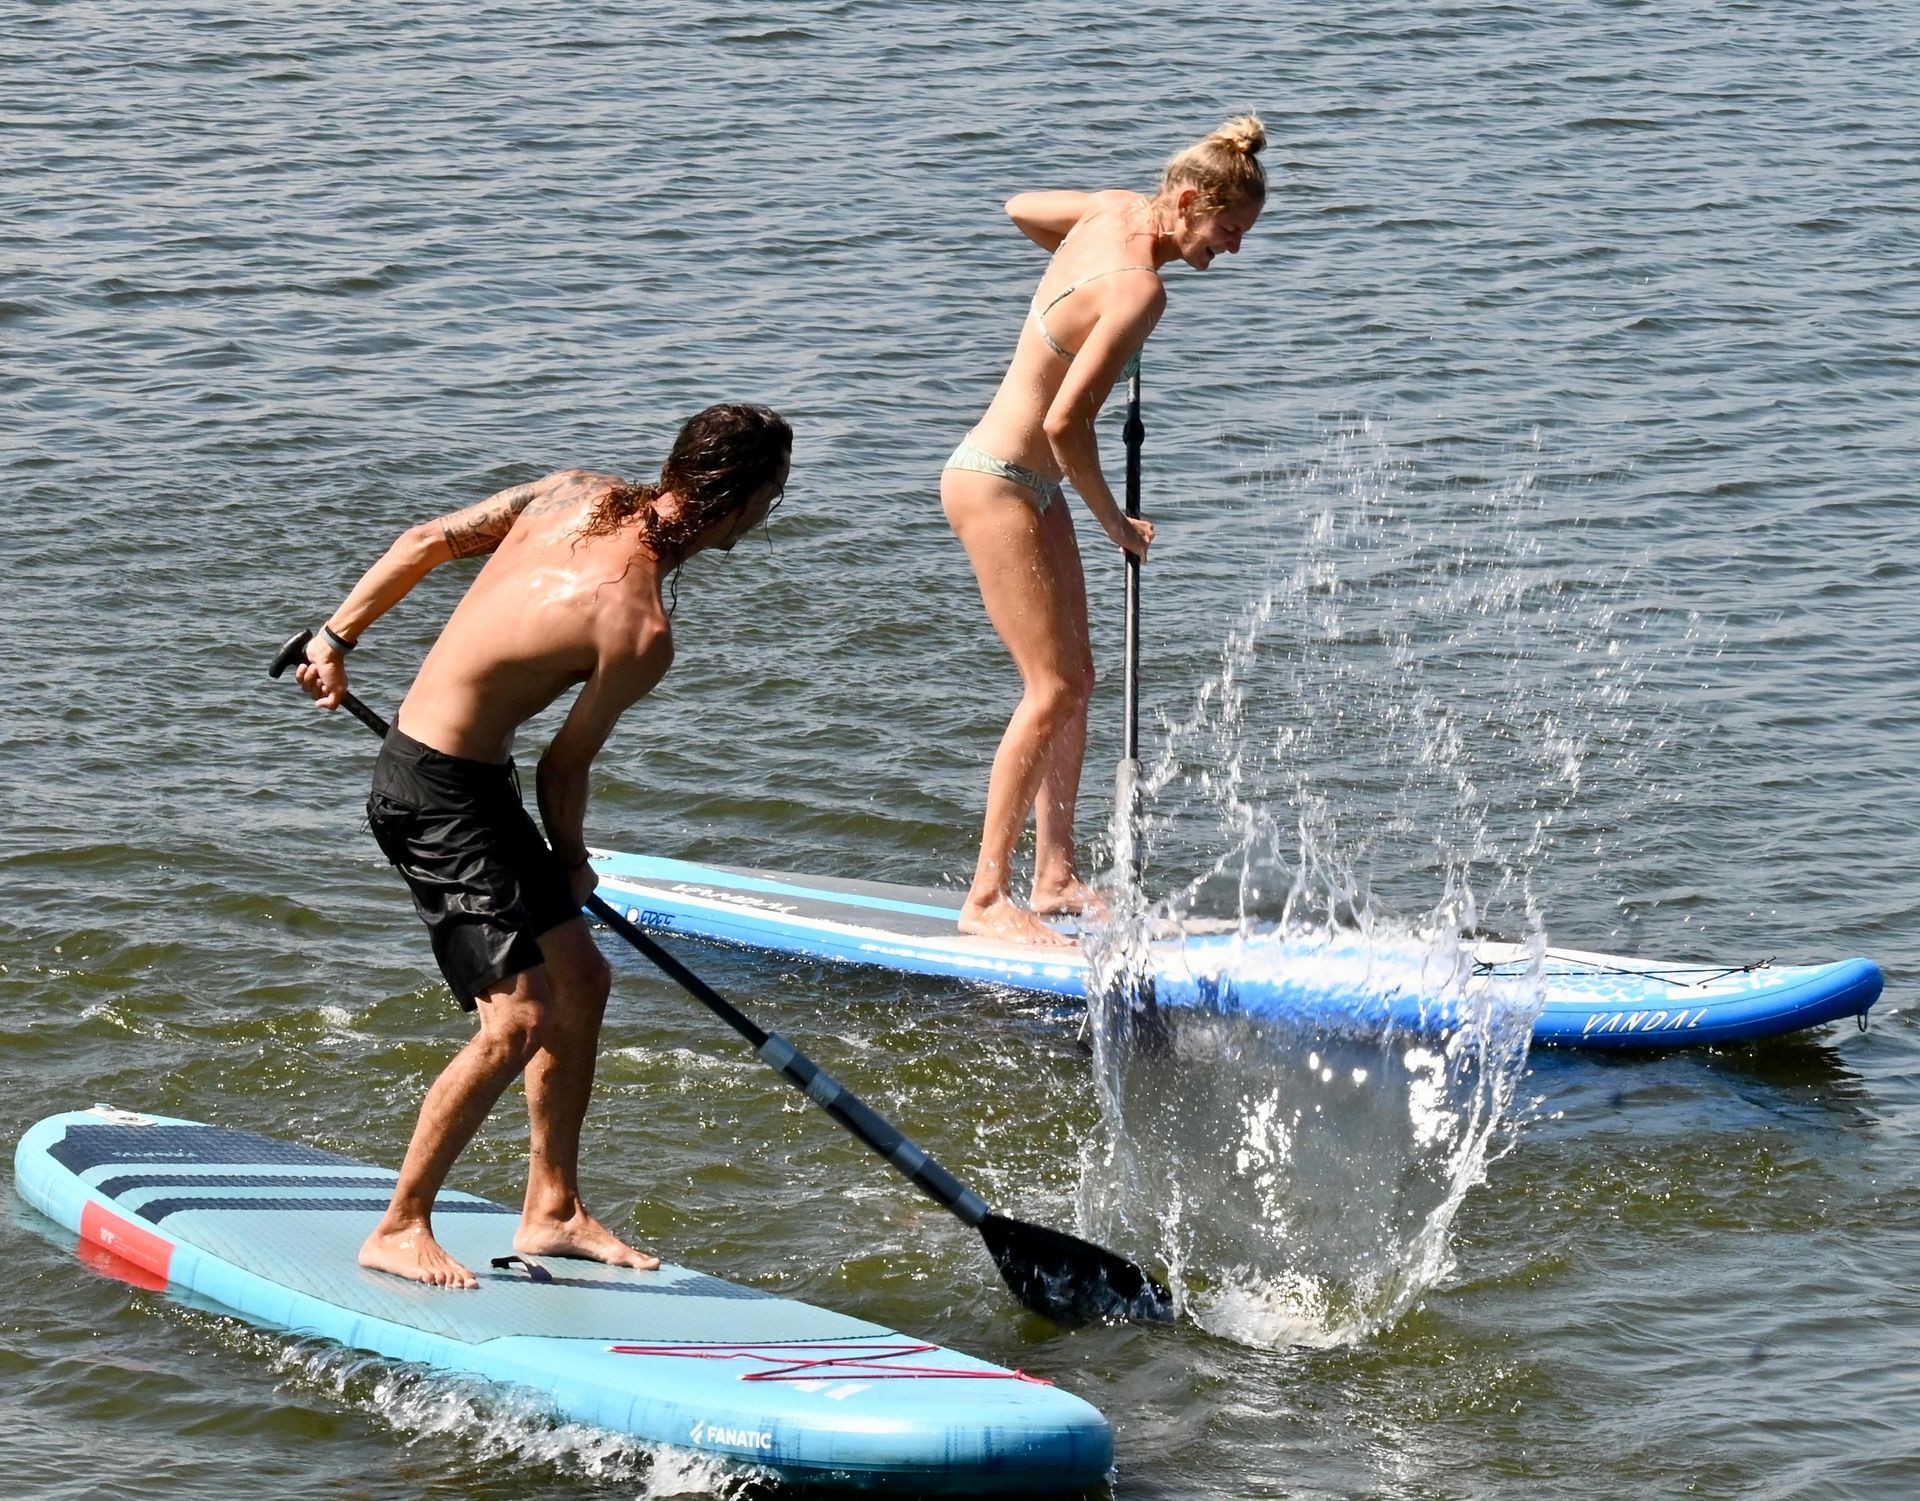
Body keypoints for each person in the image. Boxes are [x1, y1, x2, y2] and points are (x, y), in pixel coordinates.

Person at [294, 403, 792, 1288]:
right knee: (517, 1017)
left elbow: (424, 539)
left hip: (470, 783)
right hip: (433, 798)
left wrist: (337, 637)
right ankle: (400, 1224)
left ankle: (552, 1207)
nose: (765, 517)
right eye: (772, 501)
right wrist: (573, 858)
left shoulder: (573, 491)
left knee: (583, 979)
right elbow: (564, 770)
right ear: (741, 501)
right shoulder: (638, 628)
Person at [941, 116, 1267, 945]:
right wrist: (1113, 522)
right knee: (1047, 689)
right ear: (1189, 201)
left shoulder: (1115, 210)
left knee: (1078, 677)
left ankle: (1053, 877)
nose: (1232, 252)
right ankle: (985, 898)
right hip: (997, 484)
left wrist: (1081, 268)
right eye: (1227, 231)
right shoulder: (1140, 289)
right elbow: (1062, 423)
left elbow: (1021, 205)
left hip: (1028, 487)